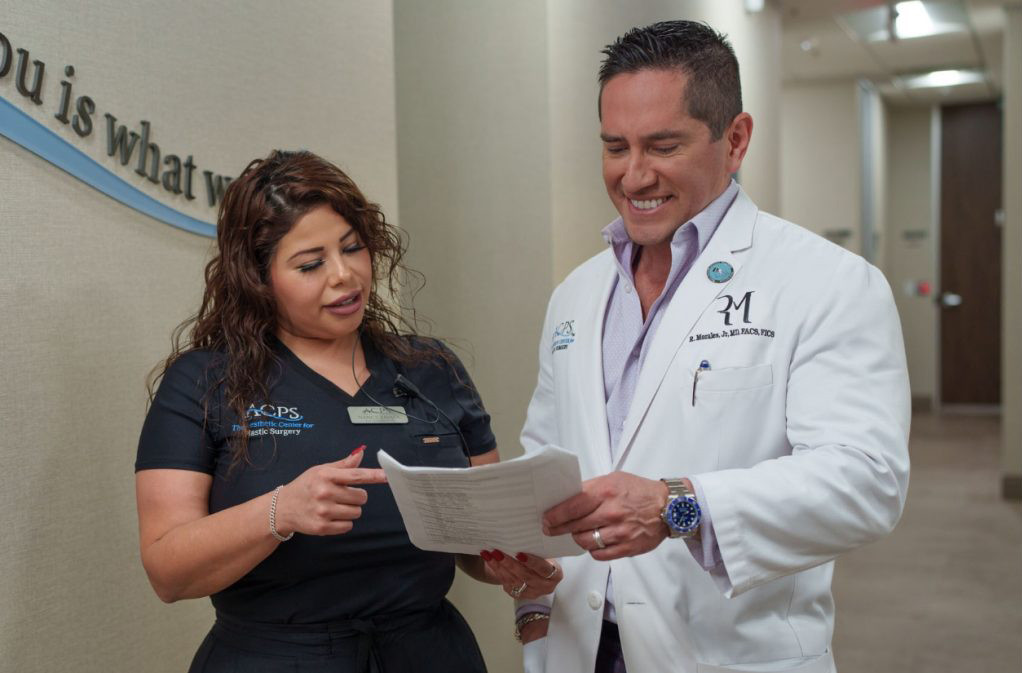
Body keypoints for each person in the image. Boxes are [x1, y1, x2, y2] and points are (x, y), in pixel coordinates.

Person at [514, 20, 910, 673]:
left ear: (736, 139)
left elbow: (867, 481)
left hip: (726, 653)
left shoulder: (827, 282)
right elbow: (548, 456)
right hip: (580, 646)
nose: (633, 175)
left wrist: (679, 504)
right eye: (615, 147)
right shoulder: (576, 296)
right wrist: (524, 560)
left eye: (662, 145)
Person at [135, 150, 561, 673]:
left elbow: (475, 540)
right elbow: (167, 571)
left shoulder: (431, 368)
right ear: (259, 277)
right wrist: (281, 511)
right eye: (310, 264)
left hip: (429, 652)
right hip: (275, 658)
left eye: (353, 248)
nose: (345, 276)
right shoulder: (204, 382)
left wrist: (510, 569)